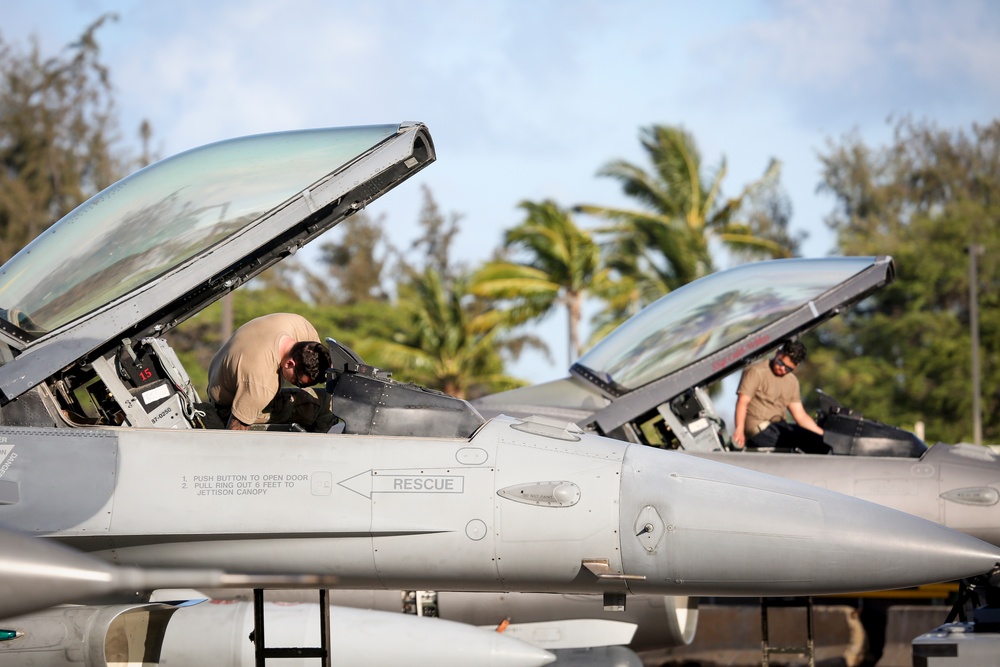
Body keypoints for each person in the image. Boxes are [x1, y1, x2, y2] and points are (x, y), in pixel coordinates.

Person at [207, 313, 336, 432]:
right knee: (327, 404)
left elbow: (319, 358)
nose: (299, 387)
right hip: (227, 409)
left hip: (225, 376)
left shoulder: (300, 326)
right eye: (299, 383)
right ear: (290, 364)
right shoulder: (261, 384)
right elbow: (234, 432)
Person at [731, 340, 829, 454]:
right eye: (781, 363)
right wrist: (739, 430)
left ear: (796, 367)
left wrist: (823, 435)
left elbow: (801, 416)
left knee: (819, 441)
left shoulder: (792, 382)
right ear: (777, 353)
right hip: (759, 429)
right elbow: (742, 402)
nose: (782, 369)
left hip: (778, 428)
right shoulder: (756, 371)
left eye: (788, 369)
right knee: (804, 440)